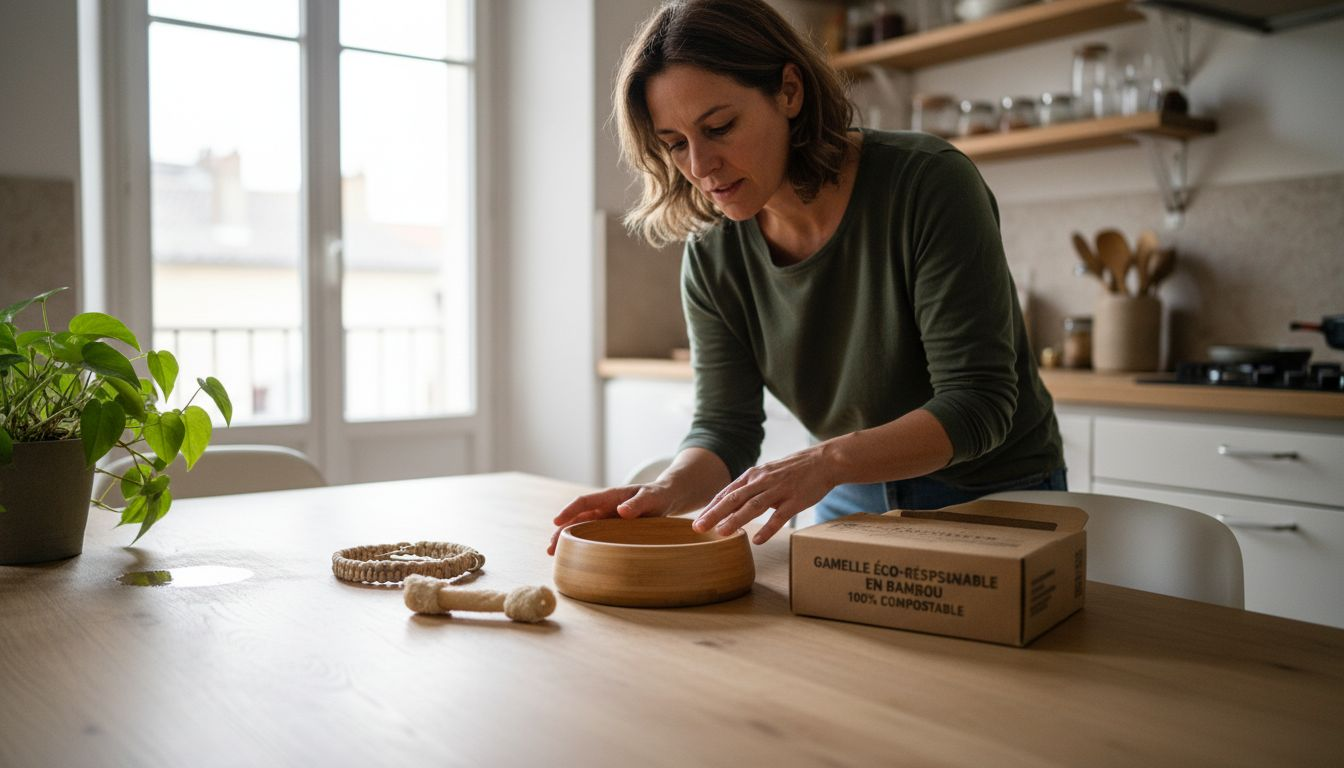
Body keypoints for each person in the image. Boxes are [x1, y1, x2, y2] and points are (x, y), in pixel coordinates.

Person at [548, 0, 1064, 555]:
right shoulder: (712, 251)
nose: (699, 166)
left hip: (995, 492)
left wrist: (826, 461)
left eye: (719, 127)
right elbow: (726, 428)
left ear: (789, 92)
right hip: (854, 490)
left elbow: (978, 404)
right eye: (675, 143)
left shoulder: (928, 184)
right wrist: (666, 490)